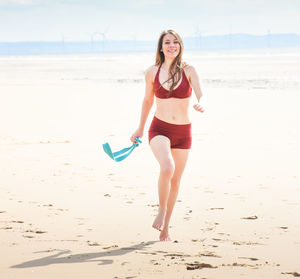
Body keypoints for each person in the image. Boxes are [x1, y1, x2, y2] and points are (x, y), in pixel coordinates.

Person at [130, 29, 204, 241]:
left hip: (183, 132)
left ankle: (166, 228)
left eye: (176, 42)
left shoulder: (189, 70)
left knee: (176, 181)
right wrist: (140, 129)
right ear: (161, 48)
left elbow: (201, 92)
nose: (172, 45)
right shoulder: (151, 72)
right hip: (159, 128)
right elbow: (147, 102)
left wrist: (202, 103)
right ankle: (161, 210)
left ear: (180, 46)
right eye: (168, 42)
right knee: (167, 168)